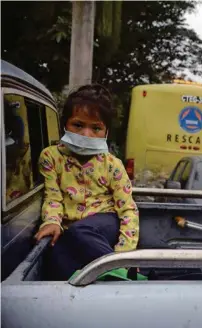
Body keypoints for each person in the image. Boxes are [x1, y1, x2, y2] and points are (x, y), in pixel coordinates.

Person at [34, 84, 139, 281]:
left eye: (96, 128)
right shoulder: (51, 157)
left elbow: (128, 209)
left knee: (81, 230)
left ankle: (122, 275)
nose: (86, 134)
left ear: (106, 133)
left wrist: (124, 255)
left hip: (105, 223)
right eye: (78, 125)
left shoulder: (112, 165)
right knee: (57, 257)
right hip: (71, 231)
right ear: (65, 124)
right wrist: (52, 221)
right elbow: (53, 196)